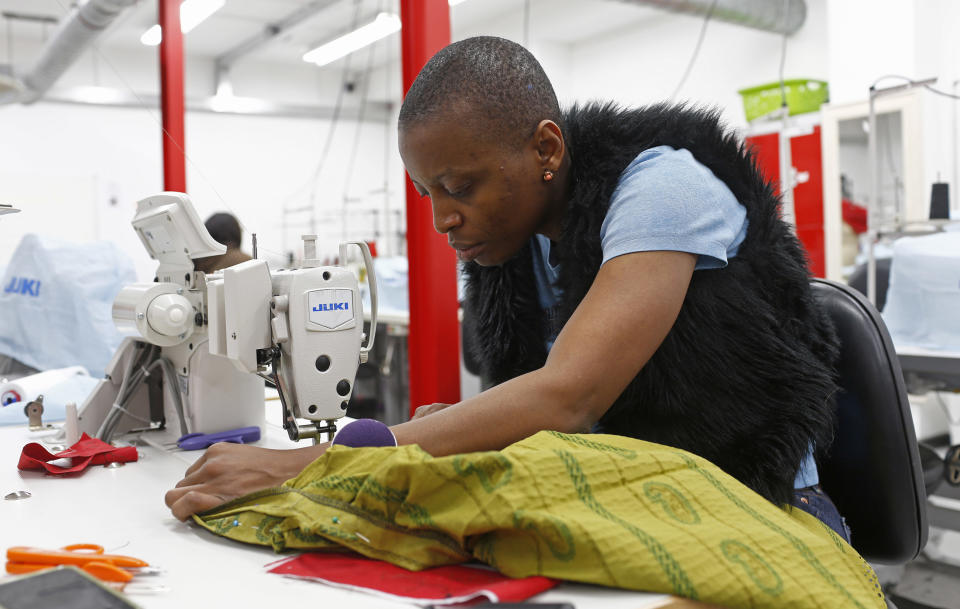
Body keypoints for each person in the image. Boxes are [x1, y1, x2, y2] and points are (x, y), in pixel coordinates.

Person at [166, 36, 848, 541]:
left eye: (459, 187)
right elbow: (556, 400)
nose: (442, 219)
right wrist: (446, 426)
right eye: (427, 192)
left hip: (764, 502)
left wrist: (311, 461)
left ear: (547, 151)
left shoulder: (662, 187)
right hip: (642, 493)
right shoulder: (521, 248)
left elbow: (568, 395)